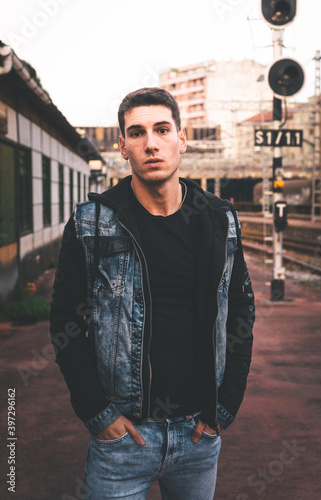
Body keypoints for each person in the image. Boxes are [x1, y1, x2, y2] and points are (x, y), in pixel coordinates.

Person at [49, 87, 255, 500]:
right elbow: (66, 324)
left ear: (181, 138)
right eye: (137, 133)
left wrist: (223, 408)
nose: (151, 143)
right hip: (123, 441)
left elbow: (240, 315)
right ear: (123, 147)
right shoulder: (93, 223)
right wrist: (96, 413)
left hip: (198, 436)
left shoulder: (218, 219)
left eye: (162, 129)